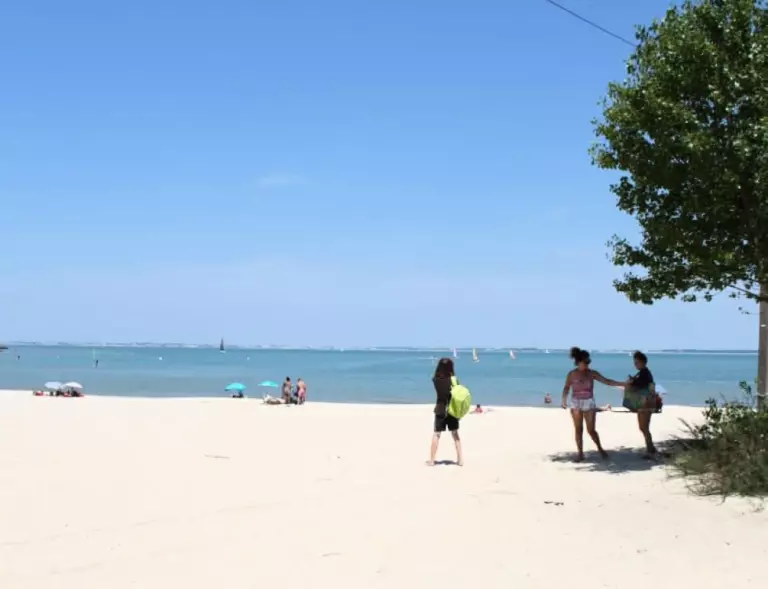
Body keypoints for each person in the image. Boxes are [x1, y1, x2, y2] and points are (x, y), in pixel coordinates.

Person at [561, 347, 625, 462]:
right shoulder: (572, 374)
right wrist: (563, 400)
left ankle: (600, 449)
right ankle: (580, 454)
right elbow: (566, 388)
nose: (588, 364)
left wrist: (623, 384)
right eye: (586, 362)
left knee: (591, 430)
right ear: (578, 361)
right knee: (578, 430)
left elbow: (607, 381)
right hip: (575, 403)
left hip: (588, 402)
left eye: (588, 362)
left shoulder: (592, 373)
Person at [428, 358, 463, 466]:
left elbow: (434, 376)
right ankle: (460, 460)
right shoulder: (454, 380)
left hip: (440, 409)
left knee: (436, 434)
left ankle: (432, 460)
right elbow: (458, 392)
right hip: (452, 410)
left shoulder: (435, 380)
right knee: (455, 434)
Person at [627, 351, 658, 458]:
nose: (635, 364)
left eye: (637, 362)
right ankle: (651, 448)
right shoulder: (643, 373)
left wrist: (631, 382)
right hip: (645, 403)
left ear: (643, 362)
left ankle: (650, 450)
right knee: (643, 427)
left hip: (646, 404)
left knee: (644, 427)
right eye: (634, 362)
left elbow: (638, 386)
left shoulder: (644, 374)